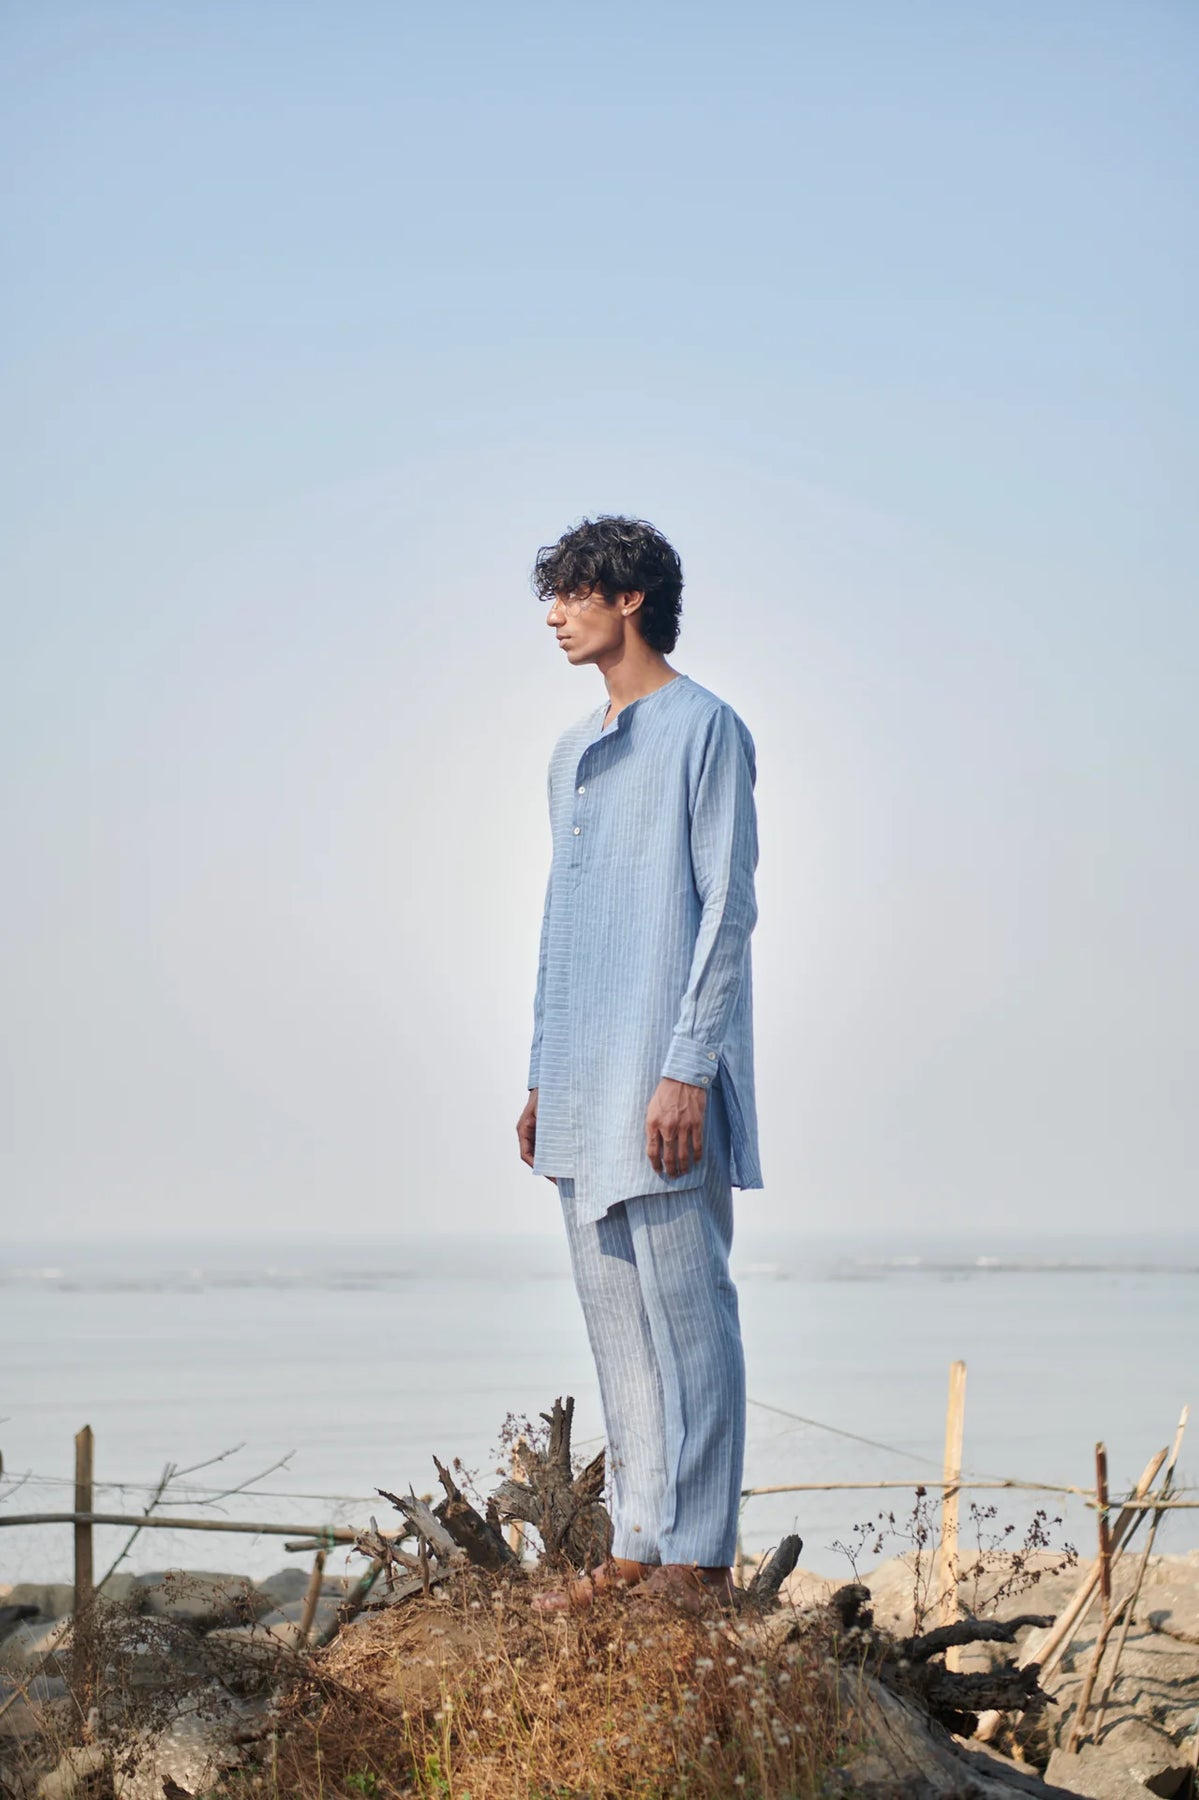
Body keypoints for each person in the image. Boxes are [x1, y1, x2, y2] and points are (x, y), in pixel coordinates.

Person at [515, 515, 763, 1612]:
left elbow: (726, 910)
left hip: (664, 1078)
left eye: (573, 592)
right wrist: (541, 1073)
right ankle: (638, 1545)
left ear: (628, 599)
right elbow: (561, 924)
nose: (554, 615)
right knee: (616, 1327)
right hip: (581, 1078)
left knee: (689, 1315)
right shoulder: (569, 753)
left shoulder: (706, 729)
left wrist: (687, 1070)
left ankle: (698, 1559)